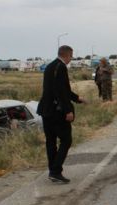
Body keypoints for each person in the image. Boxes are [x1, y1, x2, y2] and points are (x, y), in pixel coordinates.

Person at [36, 45, 84, 183]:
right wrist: (68, 110)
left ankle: (53, 170)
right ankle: (56, 170)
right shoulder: (61, 67)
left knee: (51, 142)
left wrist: (77, 98)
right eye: (71, 56)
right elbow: (61, 91)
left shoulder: (50, 66)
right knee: (66, 140)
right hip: (57, 111)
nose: (71, 59)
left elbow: (58, 89)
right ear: (66, 55)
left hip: (45, 110)